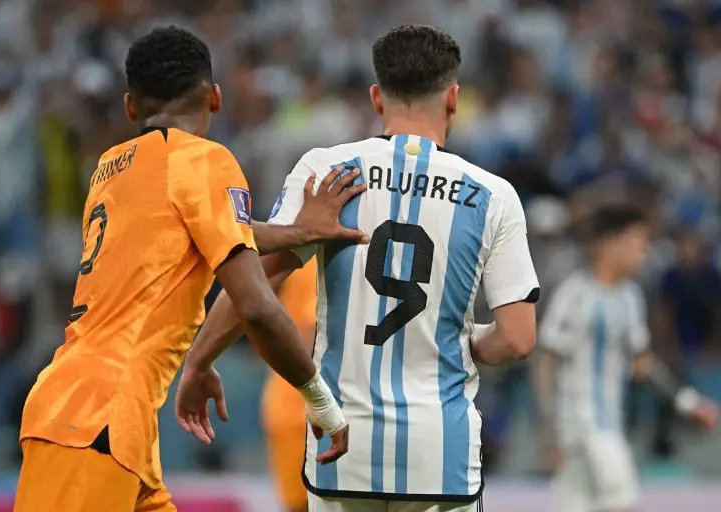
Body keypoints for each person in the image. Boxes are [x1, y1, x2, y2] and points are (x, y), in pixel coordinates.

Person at [176, 24, 540, 511]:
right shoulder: (492, 195)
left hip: (343, 443)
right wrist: (463, 345)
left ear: (376, 97)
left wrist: (199, 360)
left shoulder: (327, 171)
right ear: (453, 98)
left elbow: (254, 283)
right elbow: (518, 338)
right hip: (440, 451)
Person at [15, 26, 361, 512]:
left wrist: (296, 233)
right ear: (215, 98)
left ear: (131, 106)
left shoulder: (110, 167)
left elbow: (195, 227)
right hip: (96, 419)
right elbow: (257, 307)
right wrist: (321, 400)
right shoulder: (204, 160)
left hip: (98, 414)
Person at [535, 206, 719, 512]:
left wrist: (688, 403)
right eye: (638, 243)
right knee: (623, 505)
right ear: (610, 243)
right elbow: (546, 361)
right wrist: (549, 432)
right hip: (586, 425)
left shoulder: (630, 297)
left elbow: (642, 365)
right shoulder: (576, 294)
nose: (643, 253)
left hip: (603, 426)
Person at [261, 260, 317, 512]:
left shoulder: (301, 256)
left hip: (285, 404)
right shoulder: (324, 261)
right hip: (311, 412)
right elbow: (314, 333)